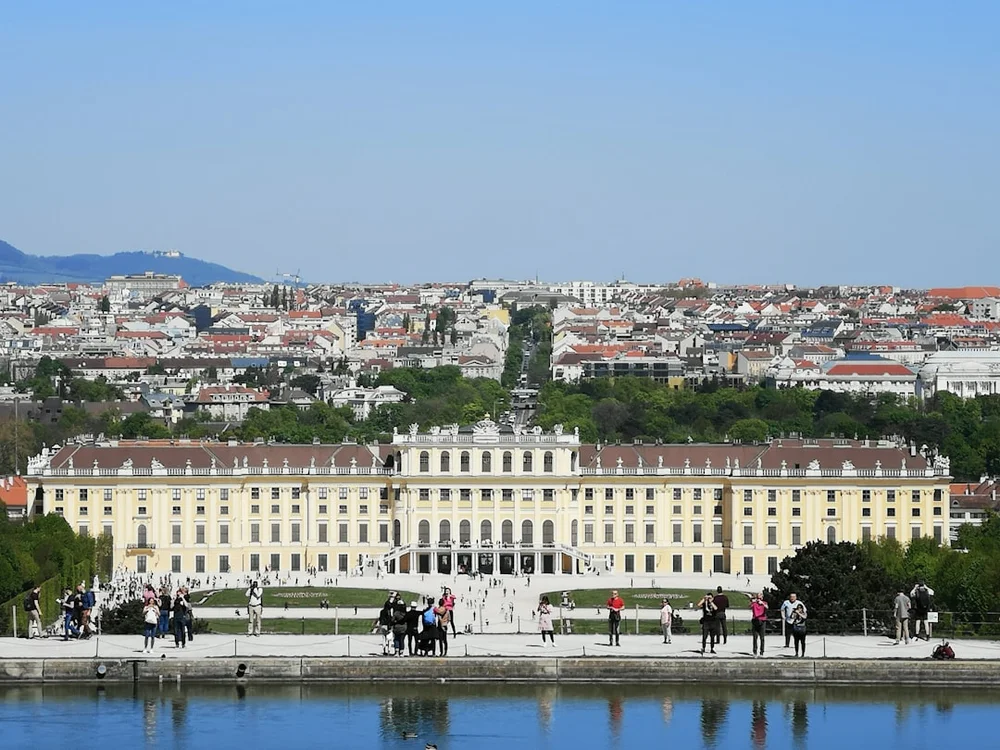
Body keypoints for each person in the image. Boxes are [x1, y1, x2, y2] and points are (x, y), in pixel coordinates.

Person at [750, 592, 768, 657]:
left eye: (760, 598)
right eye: (758, 598)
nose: (759, 599)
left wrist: (762, 603)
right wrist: (753, 601)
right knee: (755, 637)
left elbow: (767, 607)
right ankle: (755, 651)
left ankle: (761, 651)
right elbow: (750, 606)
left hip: (762, 621)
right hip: (755, 620)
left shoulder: (764, 603)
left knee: (762, 638)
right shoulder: (754, 604)